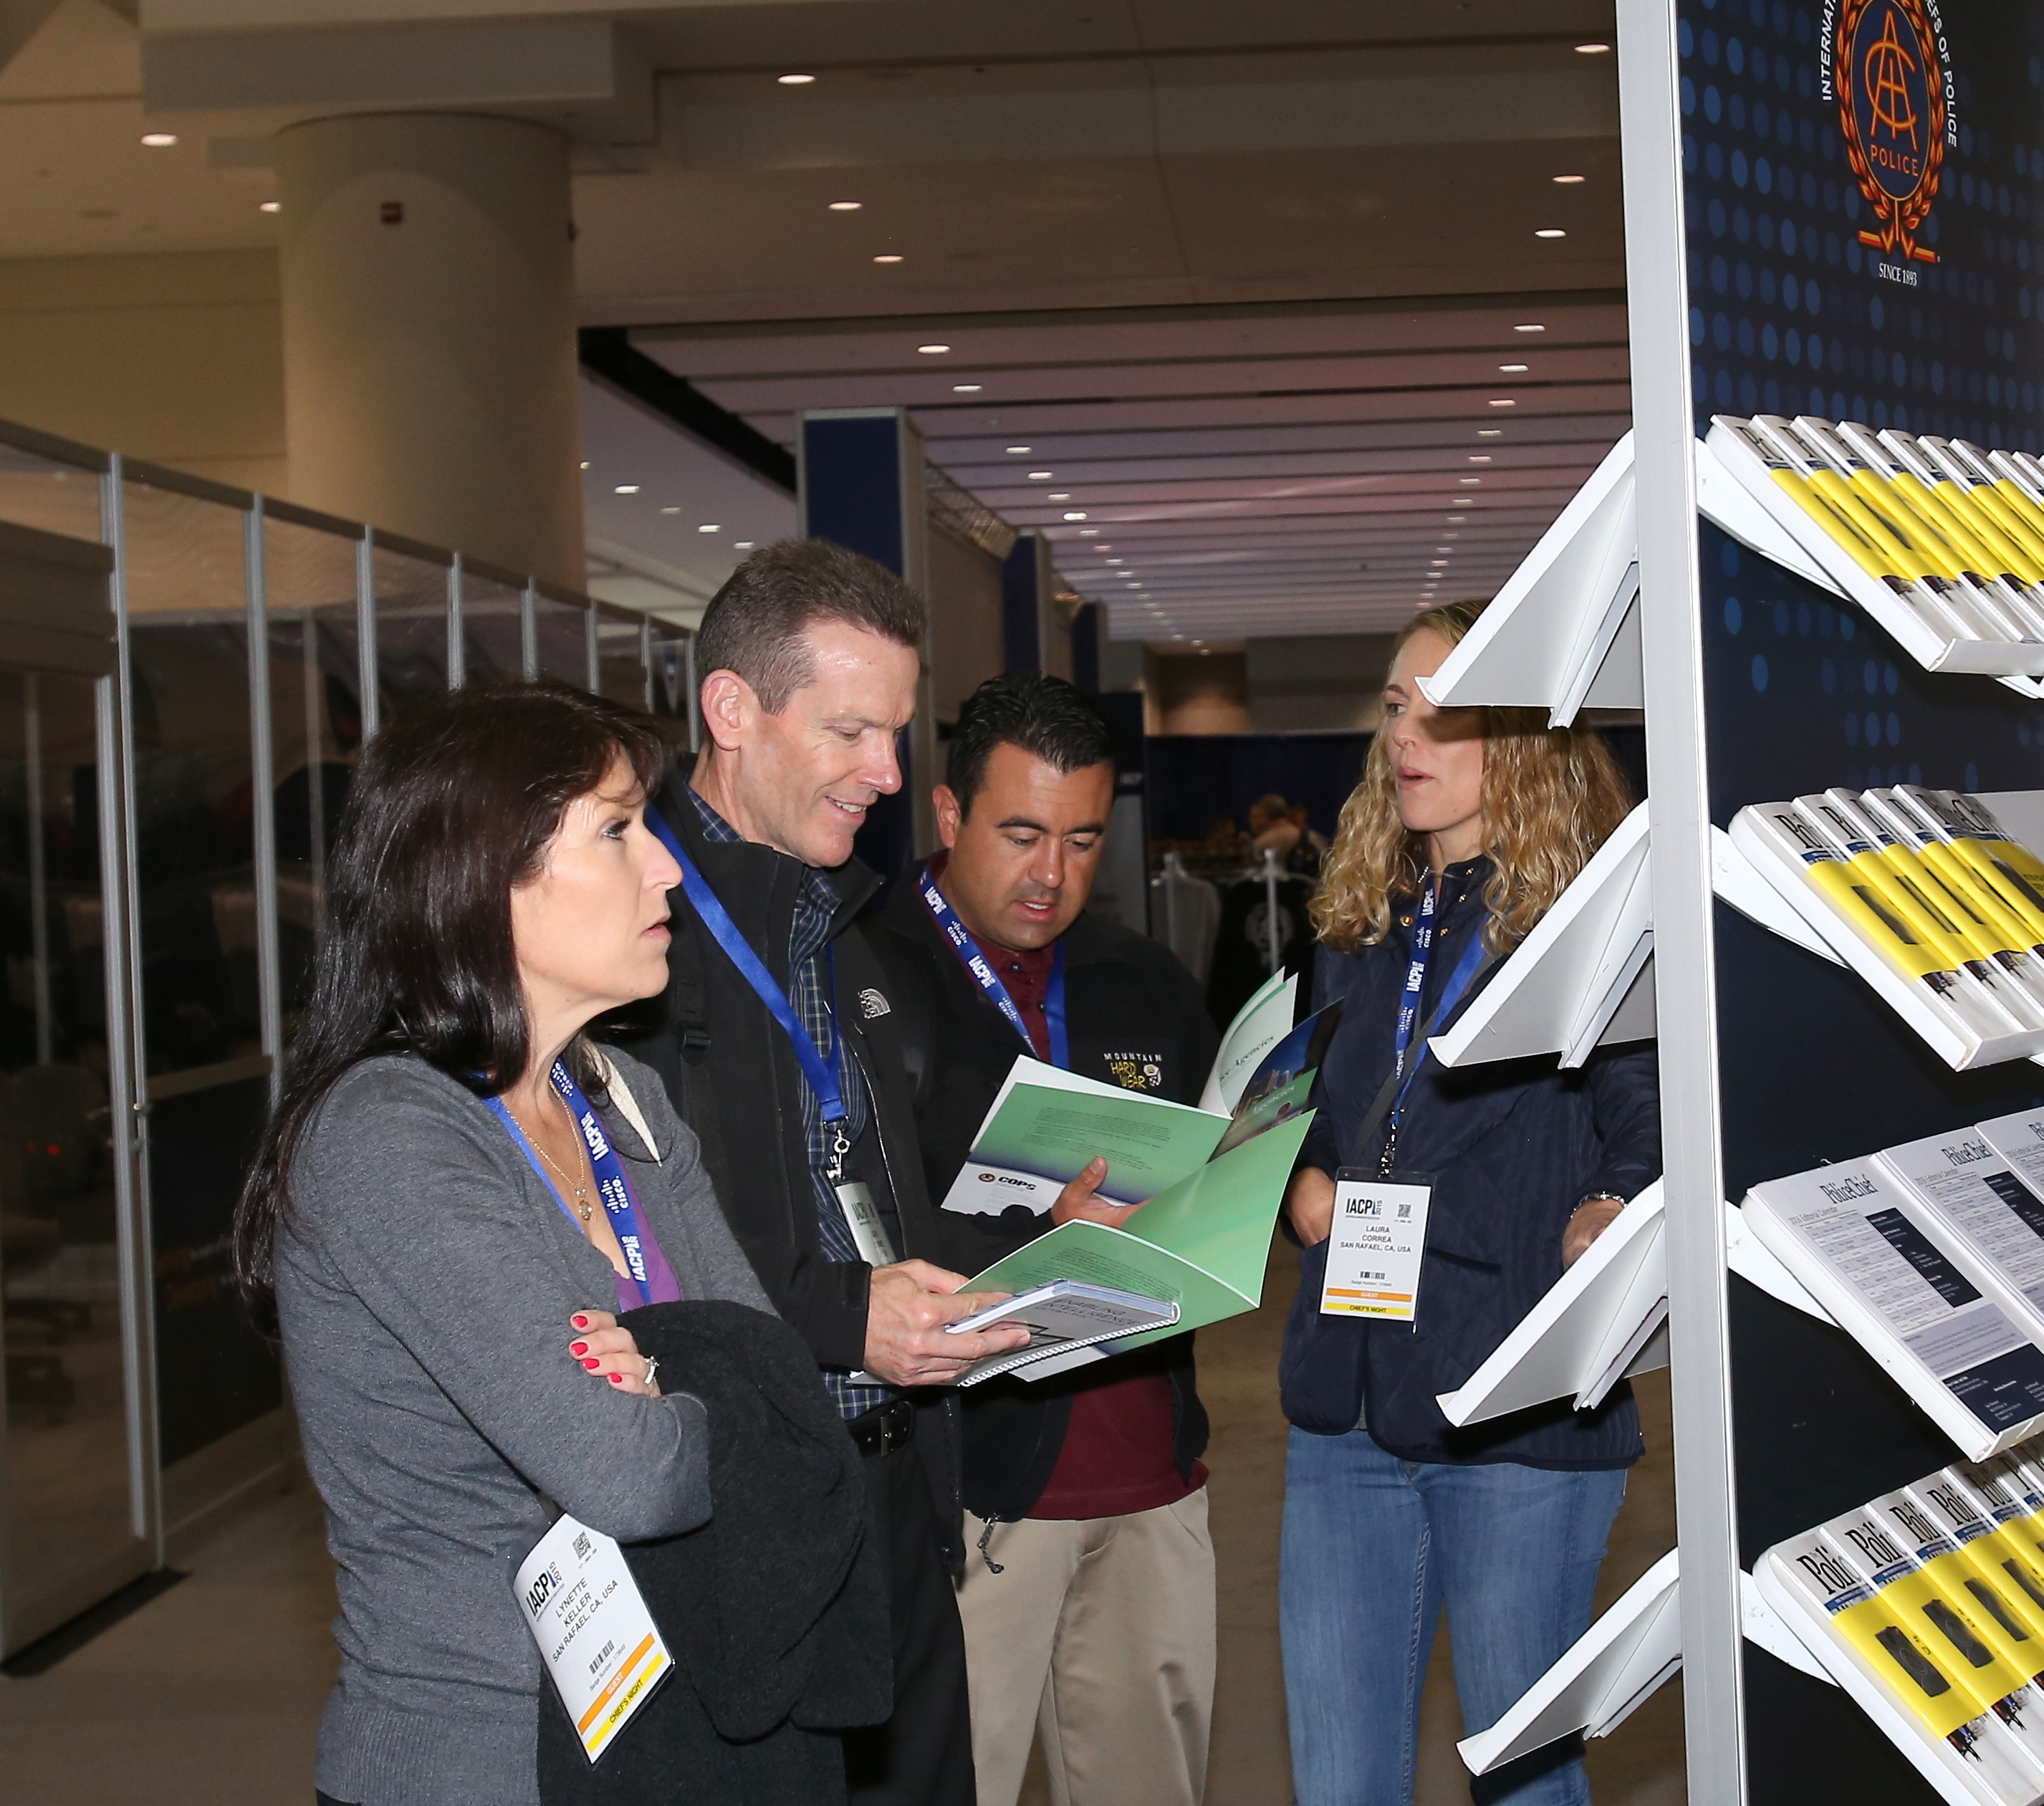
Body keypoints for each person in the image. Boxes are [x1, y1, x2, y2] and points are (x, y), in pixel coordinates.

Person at [239, 682, 841, 1806]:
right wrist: (695, 1382)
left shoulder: (624, 1099)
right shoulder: (389, 1137)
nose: (665, 866)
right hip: (483, 1756)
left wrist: (657, 1371)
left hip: (687, 1733)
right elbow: (628, 1472)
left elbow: (790, 1403)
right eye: (616, 829)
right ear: (480, 877)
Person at [613, 539, 1057, 1806]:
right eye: (852, 730)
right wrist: (838, 1316)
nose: (887, 773)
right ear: (732, 710)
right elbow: (617, 1240)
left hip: (896, 1486)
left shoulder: (846, 929)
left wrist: (1025, 1255)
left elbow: (880, 1194)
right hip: (739, 1516)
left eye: (896, 733)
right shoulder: (629, 943)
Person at [1277, 601, 1660, 1806]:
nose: (1408, 735)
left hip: (1517, 1417)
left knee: (1524, 1784)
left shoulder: (1601, 922)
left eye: (1445, 711)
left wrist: (1609, 1207)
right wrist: (1295, 1175)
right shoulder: (1356, 926)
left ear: (1526, 737)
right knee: (1339, 1783)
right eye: (1397, 706)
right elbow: (1322, 1114)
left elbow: (1654, 1125)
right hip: (1341, 1409)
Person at [886, 675, 1224, 1806]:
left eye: (1082, 839)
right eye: (1021, 833)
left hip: (1149, 1475)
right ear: (947, 815)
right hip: (980, 1489)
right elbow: (847, 1228)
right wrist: (1038, 1233)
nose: (1051, 874)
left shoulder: (1146, 981)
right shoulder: (868, 974)